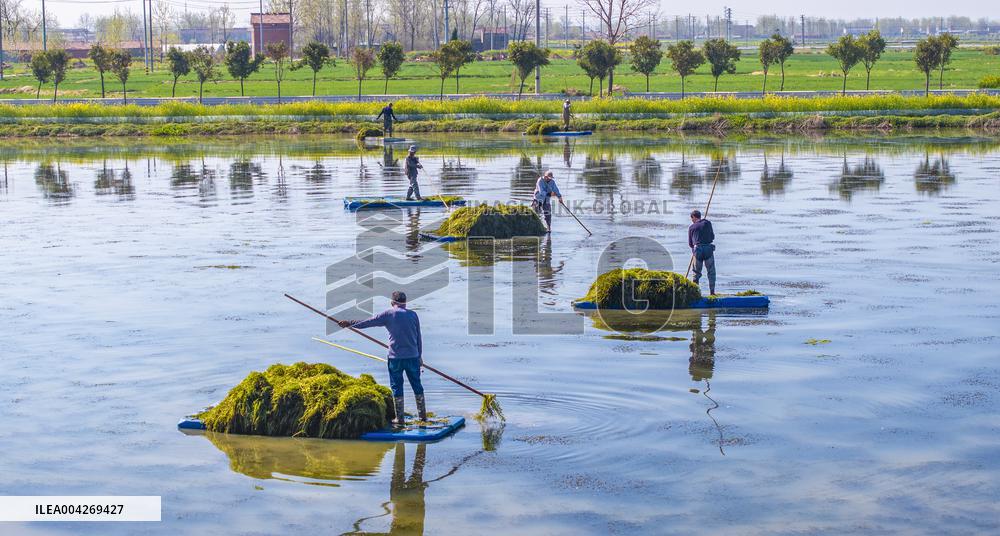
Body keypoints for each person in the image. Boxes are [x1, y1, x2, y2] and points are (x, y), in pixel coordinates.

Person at [339, 291, 425, 425]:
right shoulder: (413, 315)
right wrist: (420, 356)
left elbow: (368, 322)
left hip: (395, 358)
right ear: (405, 303)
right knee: (417, 385)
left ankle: (400, 419)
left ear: (392, 303)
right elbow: (419, 337)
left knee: (397, 386)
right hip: (413, 357)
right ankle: (423, 417)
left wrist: (349, 323)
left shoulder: (388, 314)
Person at [688, 209, 716, 295]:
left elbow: (690, 244)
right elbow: (712, 237)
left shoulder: (691, 227)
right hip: (708, 249)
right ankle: (712, 293)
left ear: (694, 217)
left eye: (691, 218)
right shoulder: (707, 223)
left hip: (698, 250)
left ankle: (695, 294)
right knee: (711, 272)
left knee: (696, 273)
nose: (692, 220)